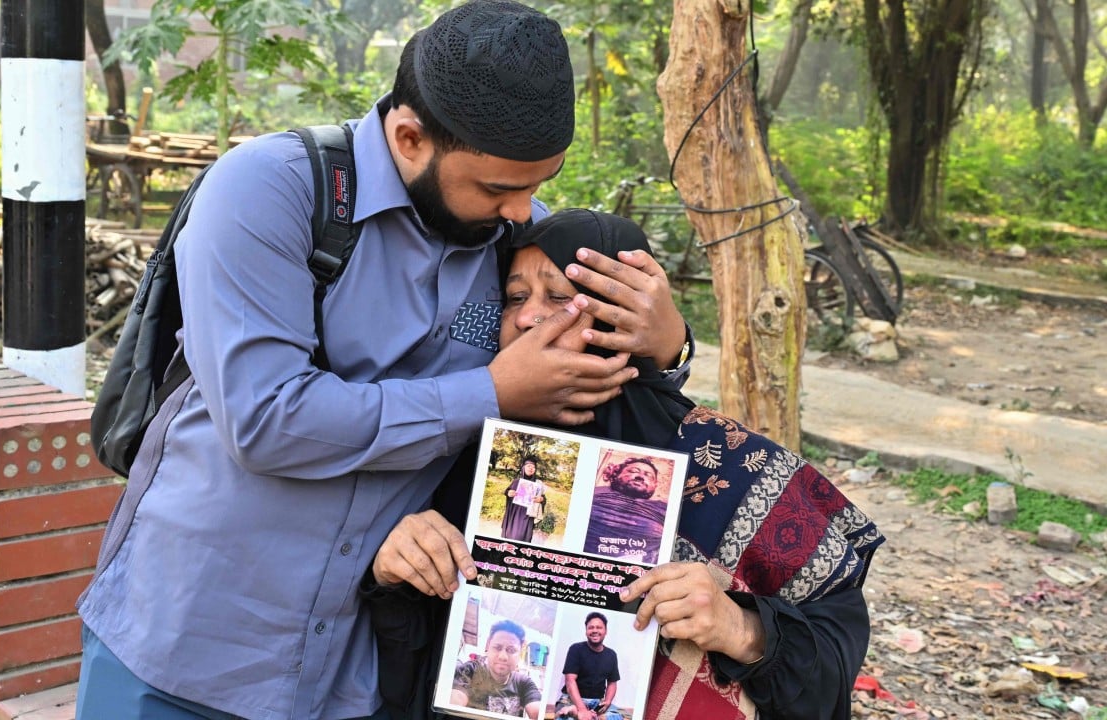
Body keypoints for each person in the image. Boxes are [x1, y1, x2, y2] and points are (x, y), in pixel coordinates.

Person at [74, 2, 691, 718]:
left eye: (537, 184)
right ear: (408, 137)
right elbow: (265, 419)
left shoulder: (510, 233)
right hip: (192, 643)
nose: (525, 211)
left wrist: (665, 341)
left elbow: (586, 387)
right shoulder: (269, 191)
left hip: (360, 668)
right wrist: (491, 391)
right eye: (499, 188)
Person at [367, 209, 885, 720]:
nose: (526, 316)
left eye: (560, 297)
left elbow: (831, 659)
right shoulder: (468, 455)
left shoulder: (728, 464)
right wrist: (400, 571)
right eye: (515, 298)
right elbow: (424, 655)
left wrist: (740, 628)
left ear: (625, 314)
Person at [450, 619, 543, 718]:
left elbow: (537, 711)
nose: (503, 656)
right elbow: (455, 700)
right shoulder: (470, 670)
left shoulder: (524, 683)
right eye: (497, 647)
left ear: (520, 653)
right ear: (488, 646)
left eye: (511, 650)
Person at [584, 456, 667, 563]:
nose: (640, 476)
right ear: (617, 475)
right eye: (633, 471)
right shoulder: (592, 493)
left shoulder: (665, 510)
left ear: (655, 485)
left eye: (648, 476)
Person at [554, 613, 623, 720]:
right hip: (571, 700)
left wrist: (608, 700)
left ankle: (578, 713)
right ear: (586, 632)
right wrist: (581, 709)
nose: (595, 630)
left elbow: (612, 683)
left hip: (597, 703)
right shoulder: (576, 649)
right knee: (564, 717)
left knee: (618, 716)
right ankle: (574, 711)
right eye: (591, 628)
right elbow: (570, 681)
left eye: (599, 627)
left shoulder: (611, 655)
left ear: (605, 631)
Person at [501, 454, 546, 542]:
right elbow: (507, 491)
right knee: (511, 536)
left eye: (533, 467)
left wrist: (541, 499)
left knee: (524, 538)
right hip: (515, 515)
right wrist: (508, 493)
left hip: (528, 515)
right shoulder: (517, 481)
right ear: (523, 468)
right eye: (528, 466)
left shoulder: (538, 484)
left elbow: (543, 498)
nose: (531, 468)